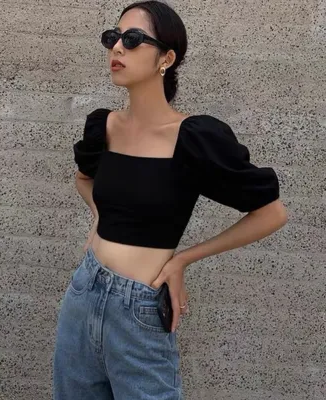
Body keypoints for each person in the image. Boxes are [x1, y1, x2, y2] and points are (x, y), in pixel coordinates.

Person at [53, 1, 288, 399]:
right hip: (84, 293)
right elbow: (84, 179)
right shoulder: (104, 126)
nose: (117, 48)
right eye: (113, 38)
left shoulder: (194, 137)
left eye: (133, 39)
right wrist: (99, 216)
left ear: (167, 58)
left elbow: (272, 214)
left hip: (138, 307)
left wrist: (181, 260)